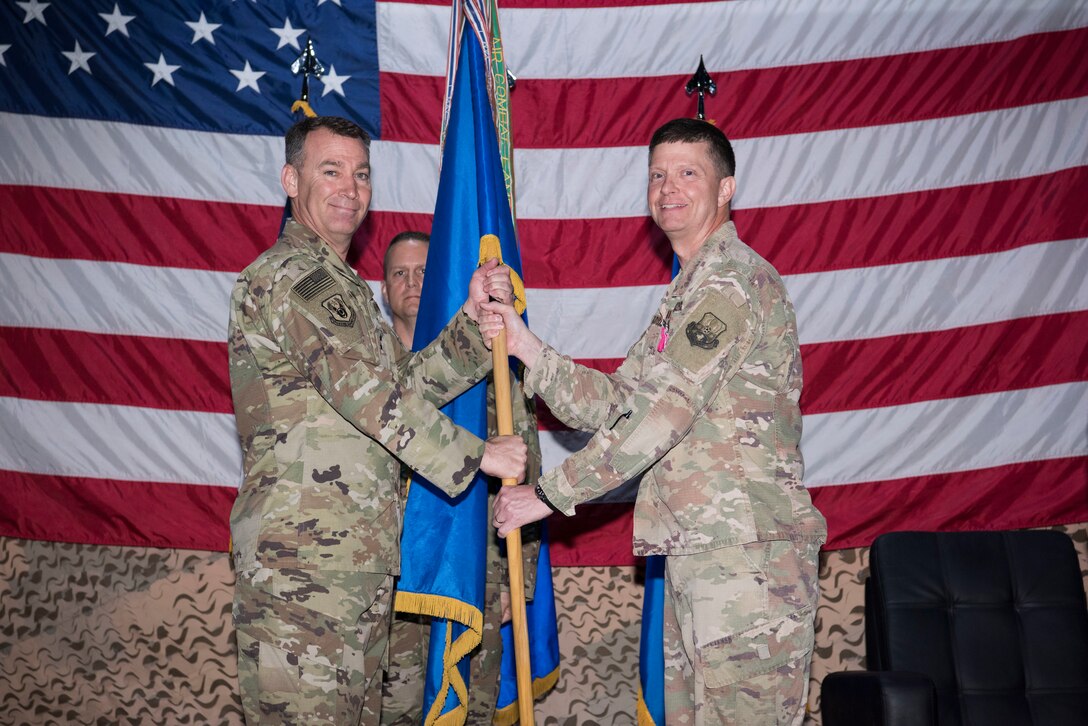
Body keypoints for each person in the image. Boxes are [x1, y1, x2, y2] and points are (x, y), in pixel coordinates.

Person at [484, 118, 827, 725]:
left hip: (746, 563)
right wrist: (525, 346)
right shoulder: (689, 291)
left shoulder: (730, 282)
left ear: (726, 189)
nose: (668, 188)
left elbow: (662, 417)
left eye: (687, 173)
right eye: (657, 175)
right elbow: (621, 403)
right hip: (701, 554)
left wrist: (547, 495)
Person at [228, 115, 527, 725]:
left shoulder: (349, 292)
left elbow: (407, 385)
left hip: (354, 571)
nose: (349, 187)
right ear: (290, 179)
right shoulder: (291, 277)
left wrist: (471, 322)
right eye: (329, 170)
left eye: (360, 174)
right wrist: (479, 456)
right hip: (302, 572)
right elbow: (370, 398)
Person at [378, 232, 541, 725]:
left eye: (424, 272)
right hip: (389, 577)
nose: (412, 283)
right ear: (383, 289)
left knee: (472, 706)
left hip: (477, 574)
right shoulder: (365, 364)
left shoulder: (489, 368)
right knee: (391, 708)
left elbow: (524, 466)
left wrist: (522, 579)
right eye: (399, 273)